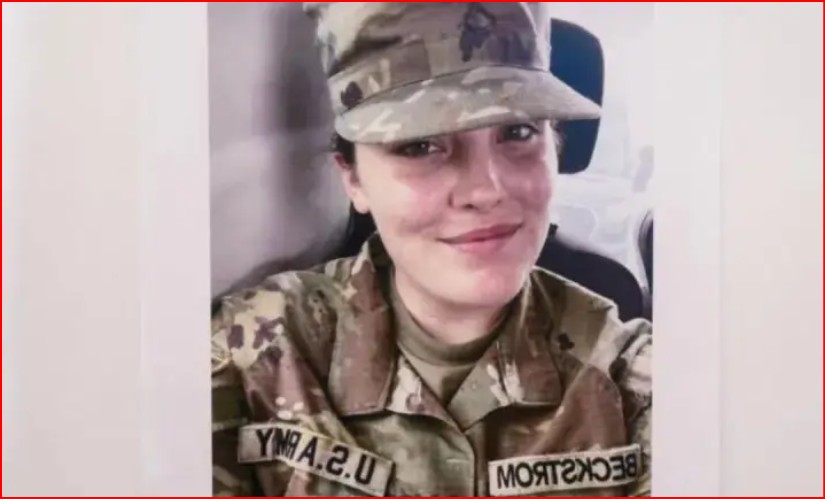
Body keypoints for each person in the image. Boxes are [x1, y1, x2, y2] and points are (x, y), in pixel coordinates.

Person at [212, 2, 651, 496]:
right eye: (420, 144)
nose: (486, 190)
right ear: (352, 177)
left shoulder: (632, 383)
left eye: (519, 132)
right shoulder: (252, 356)